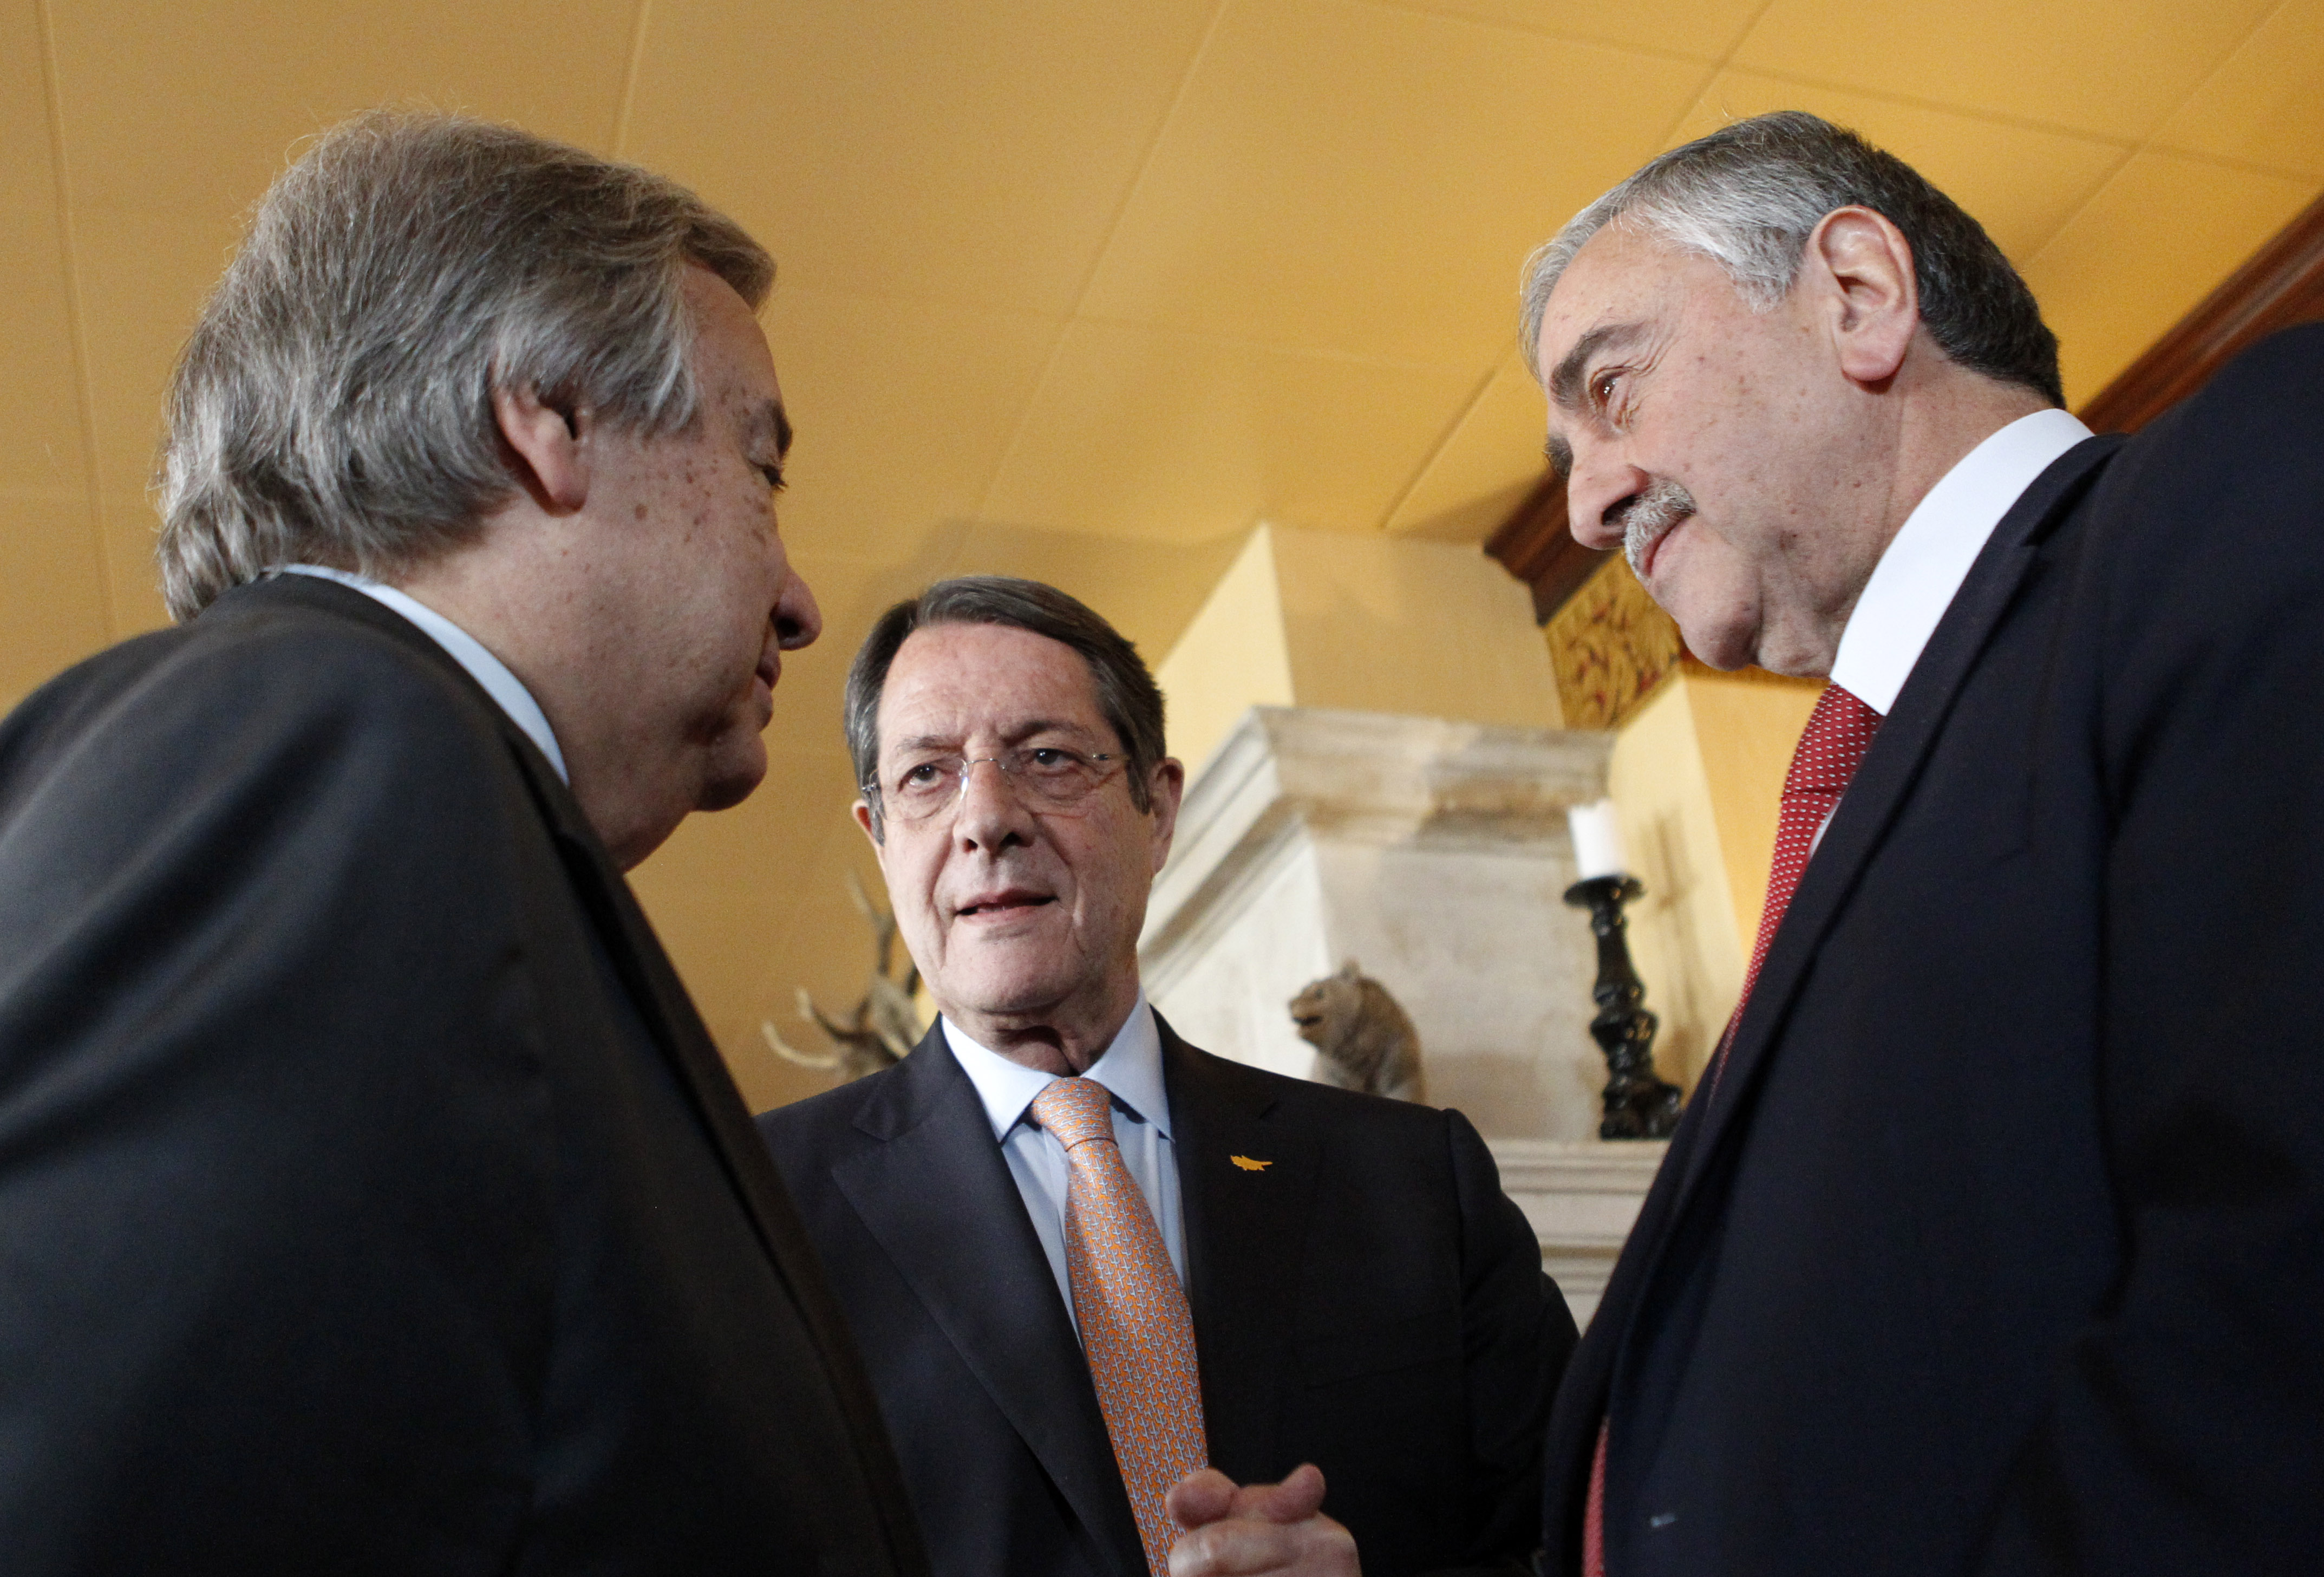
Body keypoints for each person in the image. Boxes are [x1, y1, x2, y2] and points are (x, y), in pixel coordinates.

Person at [0, 112, 926, 1576]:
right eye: (760, 466)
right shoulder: (328, 738)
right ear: (547, 417)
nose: (802, 601)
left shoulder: (403, 788)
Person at [1512, 113, 2323, 1574]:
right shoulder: (1853, 791)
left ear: (1858, 295)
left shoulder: (2241, 483)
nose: (1583, 506)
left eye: (1612, 388)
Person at [756, 576, 1577, 1577]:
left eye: (1047, 758)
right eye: (927, 776)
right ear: (881, 839)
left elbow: (1580, 1538)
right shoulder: (758, 1213)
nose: (987, 818)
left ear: (1158, 811)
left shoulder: (1414, 1182)